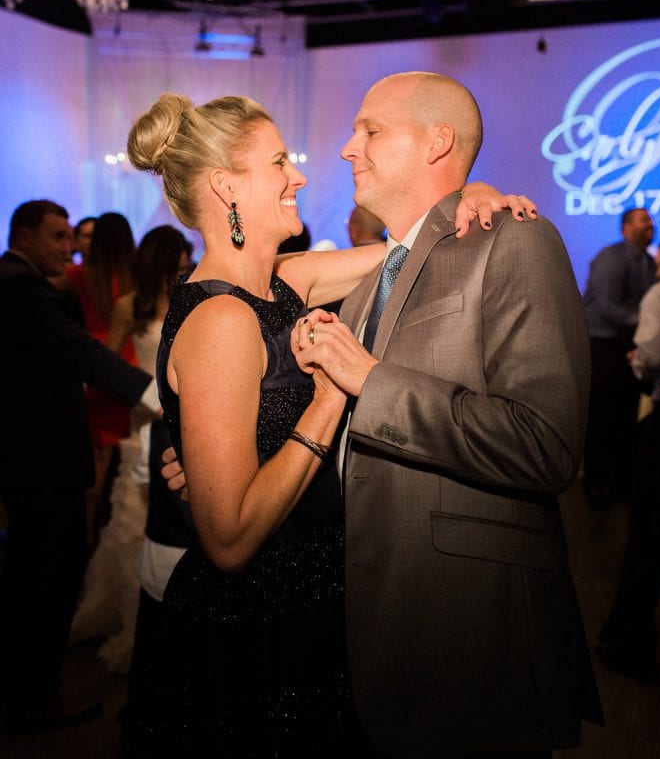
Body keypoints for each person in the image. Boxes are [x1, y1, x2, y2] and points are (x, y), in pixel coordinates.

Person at [131, 90, 532, 757]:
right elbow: (228, 540)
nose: (300, 176)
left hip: (318, 607)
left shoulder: (283, 282)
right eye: (279, 162)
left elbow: (405, 250)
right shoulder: (222, 321)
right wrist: (330, 397)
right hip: (260, 630)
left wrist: (471, 192)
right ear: (227, 185)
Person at [290, 71, 602, 759]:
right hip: (372, 619)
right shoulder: (370, 275)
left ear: (438, 142)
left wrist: (373, 383)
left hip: (469, 629)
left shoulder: (514, 240)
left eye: (370, 130)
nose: (347, 147)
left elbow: (545, 444)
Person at [0, 200, 156, 733]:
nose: (70, 248)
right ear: (24, 236)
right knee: (45, 579)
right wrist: (153, 391)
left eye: (72, 237)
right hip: (41, 461)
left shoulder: (23, 282)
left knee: (36, 573)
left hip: (31, 458)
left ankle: (28, 693)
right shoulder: (21, 286)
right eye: (58, 237)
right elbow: (78, 352)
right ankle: (34, 701)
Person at [70, 226, 194, 672]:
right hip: (145, 420)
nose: (184, 267)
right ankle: (129, 619)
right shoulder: (129, 307)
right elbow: (104, 366)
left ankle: (168, 616)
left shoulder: (191, 300)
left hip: (184, 417)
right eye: (179, 261)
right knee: (130, 520)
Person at [597, 213, 660, 683]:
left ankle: (625, 641)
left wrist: (642, 360)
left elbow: (650, 355)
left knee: (648, 541)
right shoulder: (620, 265)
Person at [66, 211, 138, 545]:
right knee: (130, 462)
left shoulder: (79, 275)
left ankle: (87, 536)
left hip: (95, 365)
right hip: (130, 367)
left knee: (98, 465)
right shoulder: (135, 277)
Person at [582, 207, 656, 508]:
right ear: (626, 228)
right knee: (602, 418)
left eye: (650, 221)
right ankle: (595, 485)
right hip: (604, 347)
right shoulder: (612, 258)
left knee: (626, 416)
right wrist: (647, 324)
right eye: (644, 220)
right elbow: (605, 306)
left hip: (628, 348)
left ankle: (620, 484)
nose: (650, 225)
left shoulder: (649, 262)